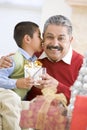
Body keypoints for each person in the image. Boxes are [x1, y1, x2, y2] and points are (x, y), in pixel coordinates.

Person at [0, 15, 83, 105]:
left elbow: (83, 102)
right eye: (50, 37)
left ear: (70, 40)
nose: (55, 43)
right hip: (26, 114)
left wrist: (58, 86)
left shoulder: (82, 64)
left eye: (61, 38)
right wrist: (2, 64)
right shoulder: (31, 56)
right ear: (43, 37)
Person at [0, 21, 42, 130]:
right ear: (27, 39)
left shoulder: (34, 62)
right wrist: (16, 83)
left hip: (17, 98)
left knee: (29, 107)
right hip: (4, 94)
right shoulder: (12, 59)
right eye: (39, 36)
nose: (42, 40)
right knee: (12, 98)